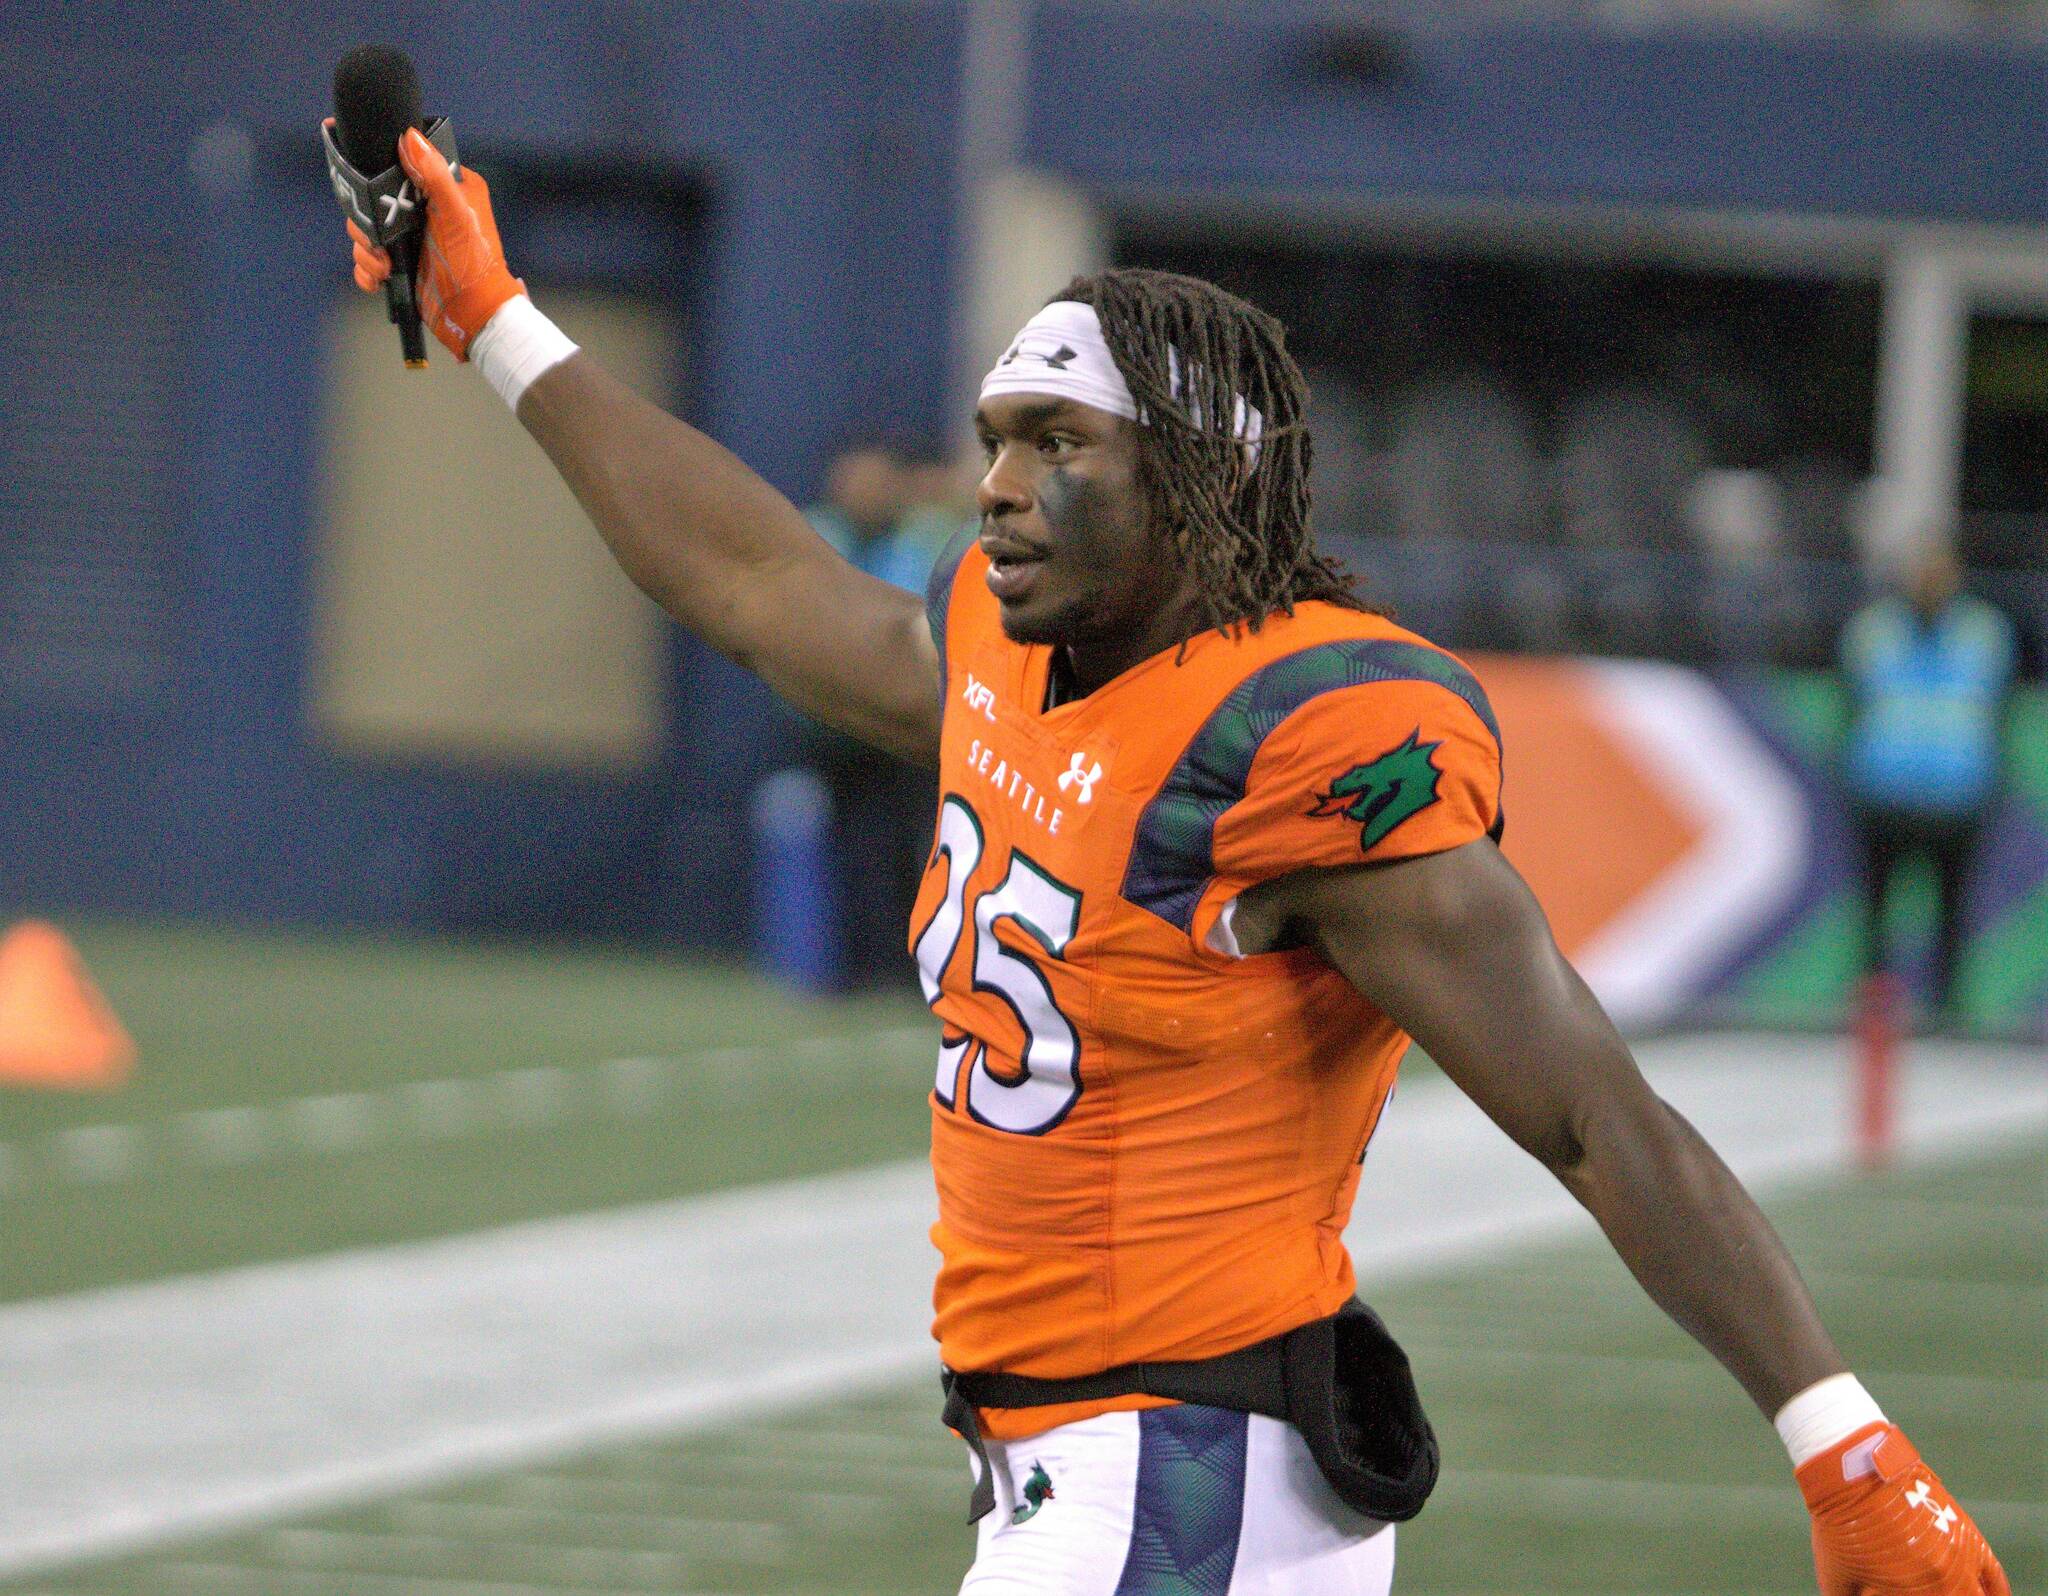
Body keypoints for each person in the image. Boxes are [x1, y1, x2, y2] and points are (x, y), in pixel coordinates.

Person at [347, 129, 2006, 1595]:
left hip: (1181, 1476)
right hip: (1092, 1473)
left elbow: (1591, 1111)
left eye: (1058, 442)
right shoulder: (1003, 653)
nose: (995, 487)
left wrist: (1835, 1436)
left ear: (1199, 482)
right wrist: (493, 316)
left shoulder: (1298, 737)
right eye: (997, 435)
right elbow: (746, 575)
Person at [1840, 546, 2017, 1026]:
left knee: (1952, 911)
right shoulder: (1873, 628)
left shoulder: (1985, 630)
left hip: (1956, 795)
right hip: (1884, 791)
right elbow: (1853, 702)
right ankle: (1874, 1014)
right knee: (1877, 912)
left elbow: (1998, 710)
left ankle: (1946, 1013)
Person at [791, 440, 943, 988]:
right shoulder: (813, 537)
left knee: (915, 845)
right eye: (856, 480)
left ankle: (914, 969)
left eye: (878, 481)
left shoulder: (925, 543)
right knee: (842, 849)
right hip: (832, 725)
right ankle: (841, 968)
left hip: (905, 725)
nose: (867, 492)